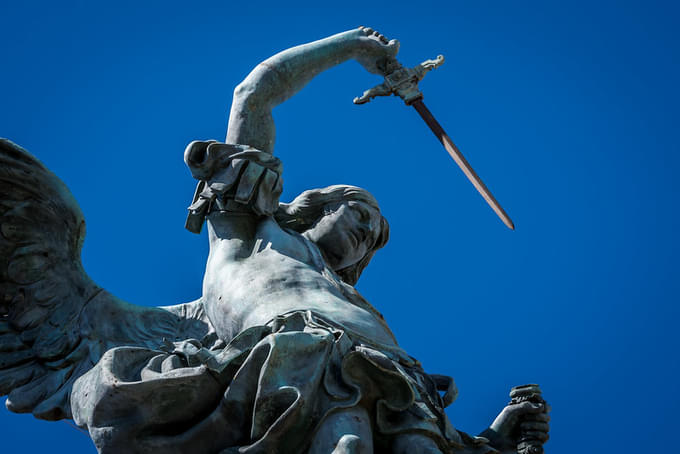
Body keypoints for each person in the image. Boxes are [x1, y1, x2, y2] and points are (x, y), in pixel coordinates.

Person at [72, 27, 549, 454]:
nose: (367, 234)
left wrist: (496, 438)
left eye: (374, 239)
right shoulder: (251, 233)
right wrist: (350, 46)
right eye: (361, 215)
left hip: (403, 390)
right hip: (293, 369)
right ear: (319, 208)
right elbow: (253, 95)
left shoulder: (351, 299)